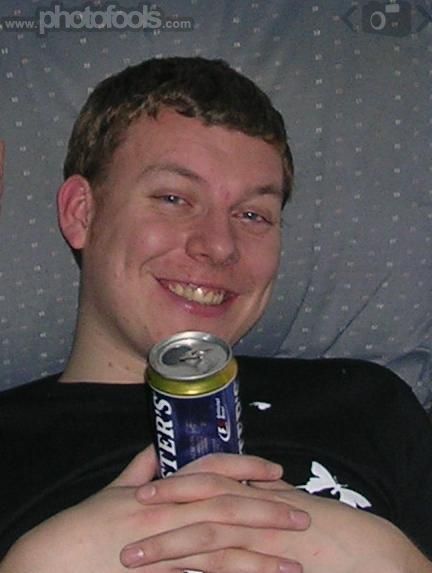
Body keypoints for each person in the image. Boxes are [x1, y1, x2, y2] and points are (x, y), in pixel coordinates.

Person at [0, 56, 431, 573]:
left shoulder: (365, 405)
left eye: (252, 214)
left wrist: (399, 563)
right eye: (174, 198)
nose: (220, 245)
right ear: (81, 214)